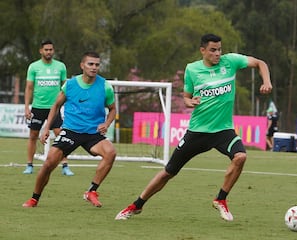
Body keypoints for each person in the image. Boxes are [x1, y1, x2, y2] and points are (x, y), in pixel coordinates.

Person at [115, 33, 272, 221]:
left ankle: (220, 199)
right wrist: (189, 102)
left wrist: (267, 81)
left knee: (240, 157)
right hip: (197, 131)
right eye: (213, 50)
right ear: (203, 50)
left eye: (219, 49)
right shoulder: (192, 69)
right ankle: (136, 205)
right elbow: (186, 96)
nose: (217, 54)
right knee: (168, 172)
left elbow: (260, 63)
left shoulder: (231, 61)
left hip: (223, 130)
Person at [22, 51, 117, 208]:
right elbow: (56, 105)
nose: (94, 67)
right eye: (90, 64)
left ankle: (91, 191)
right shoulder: (70, 85)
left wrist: (106, 124)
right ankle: (34, 199)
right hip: (70, 132)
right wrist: (46, 128)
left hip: (93, 134)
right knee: (48, 165)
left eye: (97, 65)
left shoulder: (105, 86)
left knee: (111, 152)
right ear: (82, 66)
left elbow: (113, 109)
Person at [24, 39, 74, 176]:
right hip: (38, 107)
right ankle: (29, 165)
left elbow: (65, 87)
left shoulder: (60, 67)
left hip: (55, 108)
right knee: (33, 136)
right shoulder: (34, 67)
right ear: (41, 51)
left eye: (51, 49)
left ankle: (65, 166)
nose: (48, 52)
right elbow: (29, 87)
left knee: (61, 136)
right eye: (46, 50)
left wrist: (67, 105)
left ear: (53, 51)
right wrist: (27, 107)